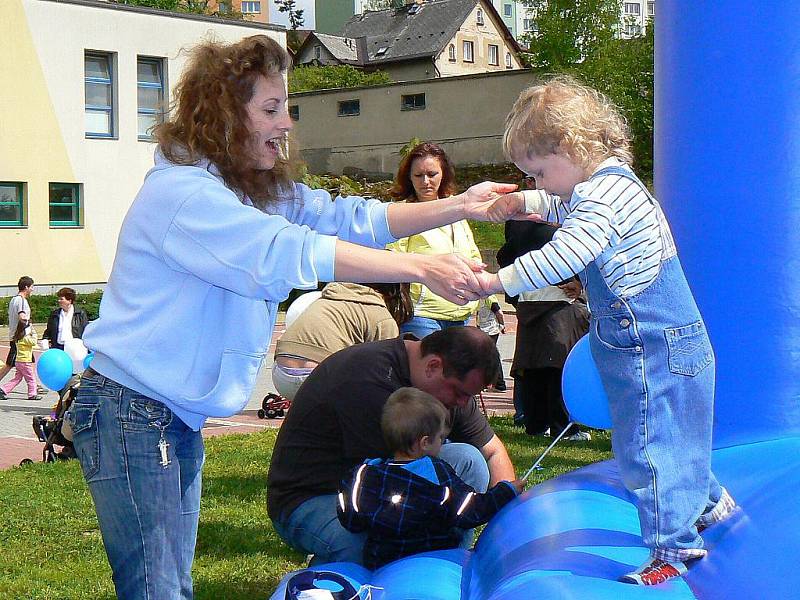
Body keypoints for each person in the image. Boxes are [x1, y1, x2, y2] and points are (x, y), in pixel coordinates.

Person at [65, 35, 515, 600]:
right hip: (132, 411)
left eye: (288, 108)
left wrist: (459, 205)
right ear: (225, 117)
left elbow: (350, 217)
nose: (286, 124)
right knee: (158, 589)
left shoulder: (251, 191)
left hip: (168, 416)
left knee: (168, 586)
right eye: (271, 109)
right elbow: (290, 250)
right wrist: (421, 271)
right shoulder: (184, 197)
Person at [480, 76, 737, 585]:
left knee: (647, 449)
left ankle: (674, 550)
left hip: (650, 345)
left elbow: (569, 251)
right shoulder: (610, 185)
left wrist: (497, 279)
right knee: (673, 434)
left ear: (571, 147)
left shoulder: (601, 198)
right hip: (663, 340)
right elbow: (565, 210)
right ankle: (710, 503)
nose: (539, 185)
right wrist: (525, 205)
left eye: (539, 172)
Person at [267, 326, 517, 566]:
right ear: (433, 366)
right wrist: (449, 512)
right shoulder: (367, 379)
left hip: (388, 484)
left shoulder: (449, 386)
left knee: (469, 458)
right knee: (372, 545)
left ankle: (446, 567)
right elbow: (383, 497)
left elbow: (493, 451)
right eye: (461, 393)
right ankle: (330, 576)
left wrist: (506, 526)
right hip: (315, 497)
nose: (463, 404)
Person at [337, 387, 522, 570]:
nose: (442, 443)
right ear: (425, 442)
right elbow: (469, 509)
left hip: (379, 567)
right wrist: (506, 490)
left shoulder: (368, 474)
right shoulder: (435, 471)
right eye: (440, 438)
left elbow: (350, 519)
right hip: (431, 564)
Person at [497, 220, 591, 441]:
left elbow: (504, 257)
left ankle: (536, 424)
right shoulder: (563, 226)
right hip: (559, 302)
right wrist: (578, 281)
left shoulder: (517, 224)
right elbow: (583, 254)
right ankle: (563, 428)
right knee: (557, 367)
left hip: (529, 301)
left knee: (533, 368)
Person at [388, 143, 484, 338]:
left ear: (444, 175)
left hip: (461, 313)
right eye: (418, 175)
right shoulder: (401, 213)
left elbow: (473, 256)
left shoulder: (457, 211)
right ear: (409, 178)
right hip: (422, 316)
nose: (425, 181)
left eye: (432, 174)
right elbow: (391, 261)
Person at [272, 282, 412, 400]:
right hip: (315, 380)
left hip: (280, 375)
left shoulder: (327, 298)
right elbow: (387, 372)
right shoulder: (382, 317)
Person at [0, 276, 34, 383]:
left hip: (17, 337)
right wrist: (29, 327)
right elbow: (22, 317)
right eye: (32, 287)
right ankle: (33, 385)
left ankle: (34, 385)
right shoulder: (22, 301)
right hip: (20, 338)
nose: (32, 289)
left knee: (25, 362)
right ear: (26, 287)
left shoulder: (14, 299)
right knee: (11, 363)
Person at [0, 311, 39, 401]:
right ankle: (32, 394)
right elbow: (34, 341)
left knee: (17, 378)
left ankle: (3, 389)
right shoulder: (25, 339)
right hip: (25, 362)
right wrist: (33, 331)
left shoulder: (18, 337)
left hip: (18, 361)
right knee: (31, 378)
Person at [474, 295, 506, 391]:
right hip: (484, 329)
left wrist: (502, 325)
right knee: (488, 356)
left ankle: (499, 383)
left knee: (489, 356)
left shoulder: (490, 298)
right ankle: (495, 383)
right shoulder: (480, 298)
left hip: (490, 330)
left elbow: (499, 313)